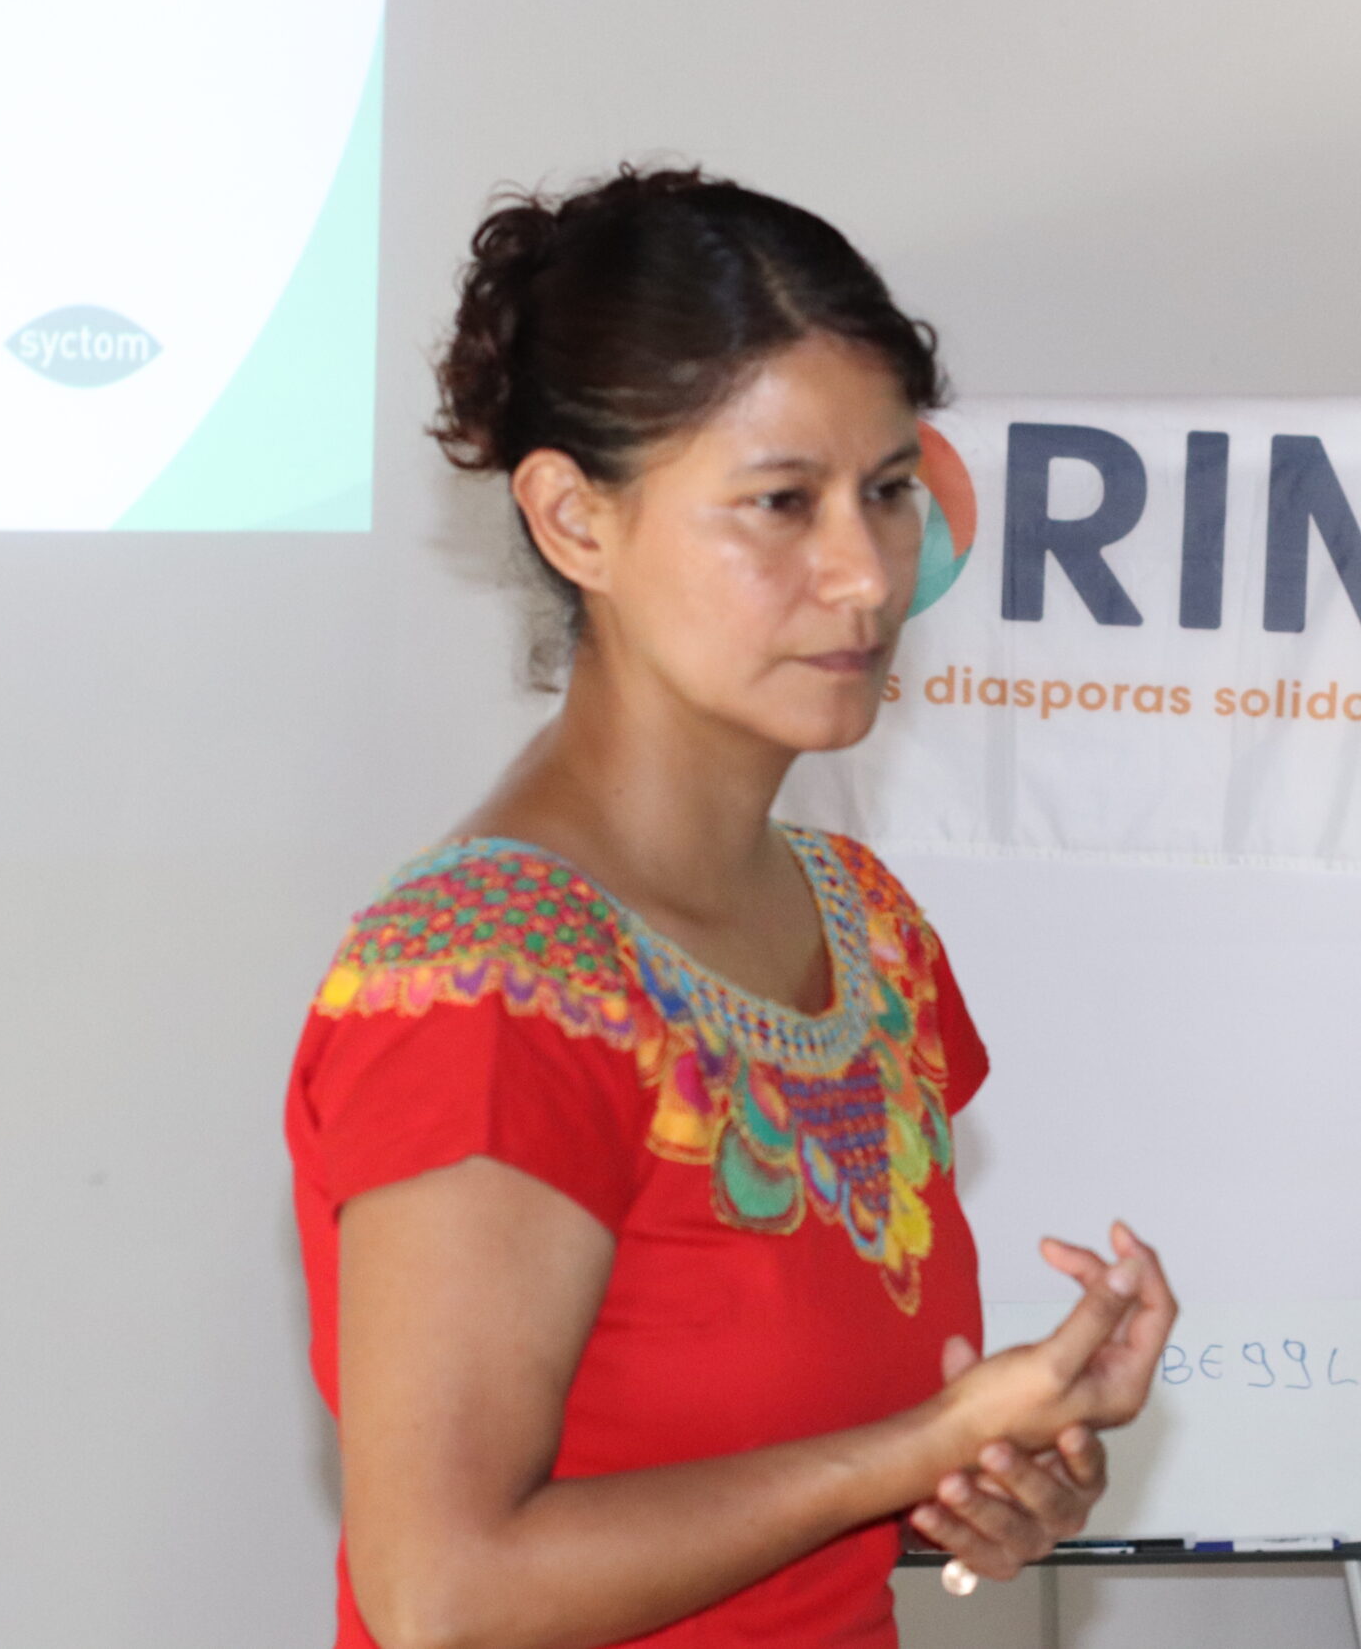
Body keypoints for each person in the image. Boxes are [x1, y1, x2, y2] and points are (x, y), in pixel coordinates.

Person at [284, 168, 1177, 1649]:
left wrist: (988, 1481)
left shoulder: (867, 928)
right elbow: (443, 1593)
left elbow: (767, 1465)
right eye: (780, 503)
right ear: (574, 519)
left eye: (888, 490)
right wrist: (911, 1446)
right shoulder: (485, 981)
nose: (867, 576)